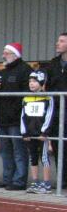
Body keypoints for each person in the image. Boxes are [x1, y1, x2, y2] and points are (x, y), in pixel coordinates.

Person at [0, 42, 31, 190]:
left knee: (19, 151)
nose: (3, 56)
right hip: (3, 118)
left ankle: (19, 180)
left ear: (15, 55)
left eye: (6, 53)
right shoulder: (3, 72)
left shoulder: (25, 70)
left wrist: (16, 110)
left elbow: (27, 93)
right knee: (5, 151)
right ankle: (7, 178)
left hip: (17, 119)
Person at [21, 70, 54, 193]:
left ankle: (46, 184)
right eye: (30, 81)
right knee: (33, 157)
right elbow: (23, 116)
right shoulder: (26, 98)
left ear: (41, 82)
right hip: (30, 134)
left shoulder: (47, 97)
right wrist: (24, 132)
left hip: (41, 134)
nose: (31, 83)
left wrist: (44, 132)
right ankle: (35, 182)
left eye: (34, 81)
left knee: (44, 157)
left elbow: (49, 115)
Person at [44, 32, 67, 189]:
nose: (57, 43)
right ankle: (62, 178)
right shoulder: (53, 64)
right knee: (58, 145)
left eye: (62, 41)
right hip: (56, 111)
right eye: (58, 40)